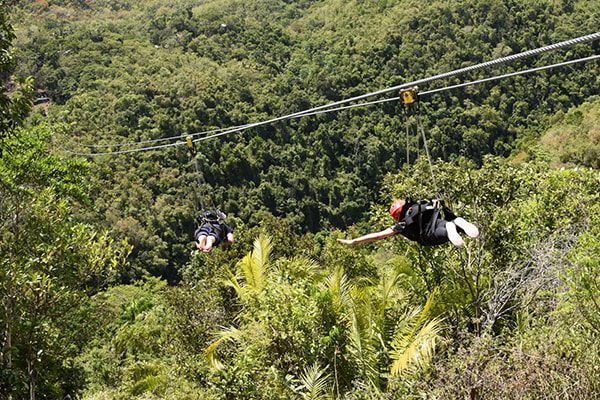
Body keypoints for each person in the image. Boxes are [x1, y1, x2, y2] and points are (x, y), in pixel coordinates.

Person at [337, 199, 479, 247]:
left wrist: (354, 241)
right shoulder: (419, 207)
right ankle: (458, 223)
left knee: (448, 228)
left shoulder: (401, 225)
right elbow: (434, 205)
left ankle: (453, 227)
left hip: (429, 237)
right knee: (452, 222)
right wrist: (434, 203)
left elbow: (378, 235)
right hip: (439, 224)